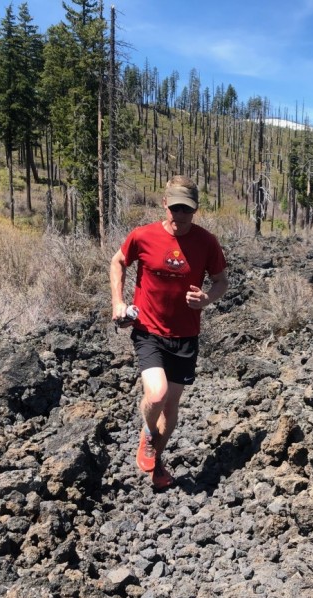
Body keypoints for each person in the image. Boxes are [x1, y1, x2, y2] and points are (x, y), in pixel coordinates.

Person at [110, 175, 229, 489]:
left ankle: (156, 459)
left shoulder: (207, 242)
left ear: (196, 210)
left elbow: (221, 281)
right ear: (164, 204)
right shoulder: (143, 236)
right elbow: (118, 262)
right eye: (174, 208)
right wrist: (118, 303)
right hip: (148, 330)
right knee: (157, 395)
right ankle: (147, 435)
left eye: (186, 210)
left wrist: (207, 298)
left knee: (171, 408)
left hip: (185, 336)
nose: (179, 216)